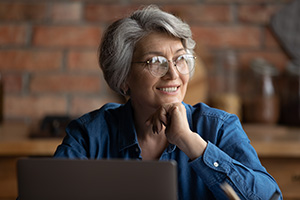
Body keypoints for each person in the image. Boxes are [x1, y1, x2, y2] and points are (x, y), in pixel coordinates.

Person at [54, 5, 282, 200]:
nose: (173, 74)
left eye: (180, 59)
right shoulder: (90, 133)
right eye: (155, 61)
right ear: (124, 78)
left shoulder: (219, 128)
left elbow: (270, 197)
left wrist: (191, 143)